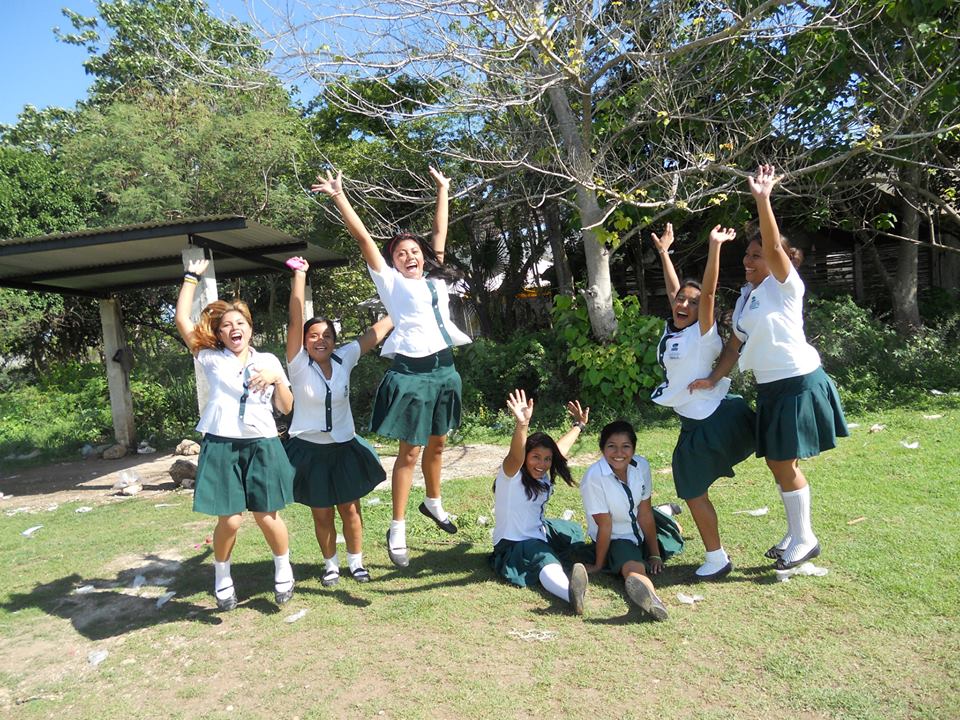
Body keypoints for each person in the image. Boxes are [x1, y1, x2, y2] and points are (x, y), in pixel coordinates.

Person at [689, 164, 848, 570]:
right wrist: (712, 377)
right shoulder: (748, 296)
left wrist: (763, 199)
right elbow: (735, 345)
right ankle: (796, 534)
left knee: (782, 462)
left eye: (755, 255)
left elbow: (775, 247)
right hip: (771, 387)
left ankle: (805, 538)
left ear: (780, 260)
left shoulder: (785, 285)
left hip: (798, 382)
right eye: (747, 253)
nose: (748, 259)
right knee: (780, 463)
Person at [311, 166, 471, 568]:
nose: (409, 256)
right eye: (401, 254)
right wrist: (339, 196)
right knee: (410, 452)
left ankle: (433, 501)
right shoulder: (391, 283)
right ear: (393, 262)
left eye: (413, 251)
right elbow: (364, 238)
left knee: (439, 442)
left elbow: (439, 231)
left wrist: (443, 189)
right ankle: (397, 528)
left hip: (445, 368)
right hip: (412, 372)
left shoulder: (436, 277)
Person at [174, 258, 296, 610]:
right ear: (220, 333)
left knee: (267, 515)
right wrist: (191, 277)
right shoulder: (211, 358)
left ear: (250, 329)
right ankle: (222, 576)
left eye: (240, 323)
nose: (233, 328)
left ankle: (283, 569)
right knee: (230, 519)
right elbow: (182, 320)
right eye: (226, 325)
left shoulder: (268, 360)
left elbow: (286, 406)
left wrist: (276, 379)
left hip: (263, 443)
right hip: (222, 442)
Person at [649, 223, 756, 579]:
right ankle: (717, 557)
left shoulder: (702, 333)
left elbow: (707, 293)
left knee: (693, 489)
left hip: (716, 418)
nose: (684, 304)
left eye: (692, 303)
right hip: (695, 422)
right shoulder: (676, 328)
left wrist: (715, 246)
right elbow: (674, 291)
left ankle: (717, 558)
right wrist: (664, 253)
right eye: (681, 300)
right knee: (693, 489)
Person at [284, 257, 394, 586]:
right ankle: (330, 566)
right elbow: (295, 319)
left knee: (351, 509)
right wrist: (300, 276)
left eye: (327, 335)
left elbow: (374, 333)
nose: (321, 340)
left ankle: (356, 564)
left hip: (344, 447)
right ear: (304, 341)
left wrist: (402, 306)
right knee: (322, 513)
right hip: (310, 451)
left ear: (334, 339)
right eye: (313, 335)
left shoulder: (344, 357)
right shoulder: (297, 364)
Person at [490, 389, 591, 615]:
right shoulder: (511, 476)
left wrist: (579, 425)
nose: (542, 464)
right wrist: (522, 424)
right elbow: (515, 455)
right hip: (514, 544)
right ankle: (570, 594)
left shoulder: (542, 473)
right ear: (525, 456)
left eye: (546, 459)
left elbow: (560, 450)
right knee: (545, 557)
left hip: (539, 529)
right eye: (535, 457)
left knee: (571, 531)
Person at [579, 421, 683, 621]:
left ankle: (667, 514)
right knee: (633, 566)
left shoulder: (641, 465)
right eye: (611, 446)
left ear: (633, 449)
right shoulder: (594, 477)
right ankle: (653, 600)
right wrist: (599, 564)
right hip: (617, 536)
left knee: (673, 532)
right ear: (602, 448)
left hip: (641, 525)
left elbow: (644, 512)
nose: (619, 453)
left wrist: (655, 554)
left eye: (625, 446)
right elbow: (605, 524)